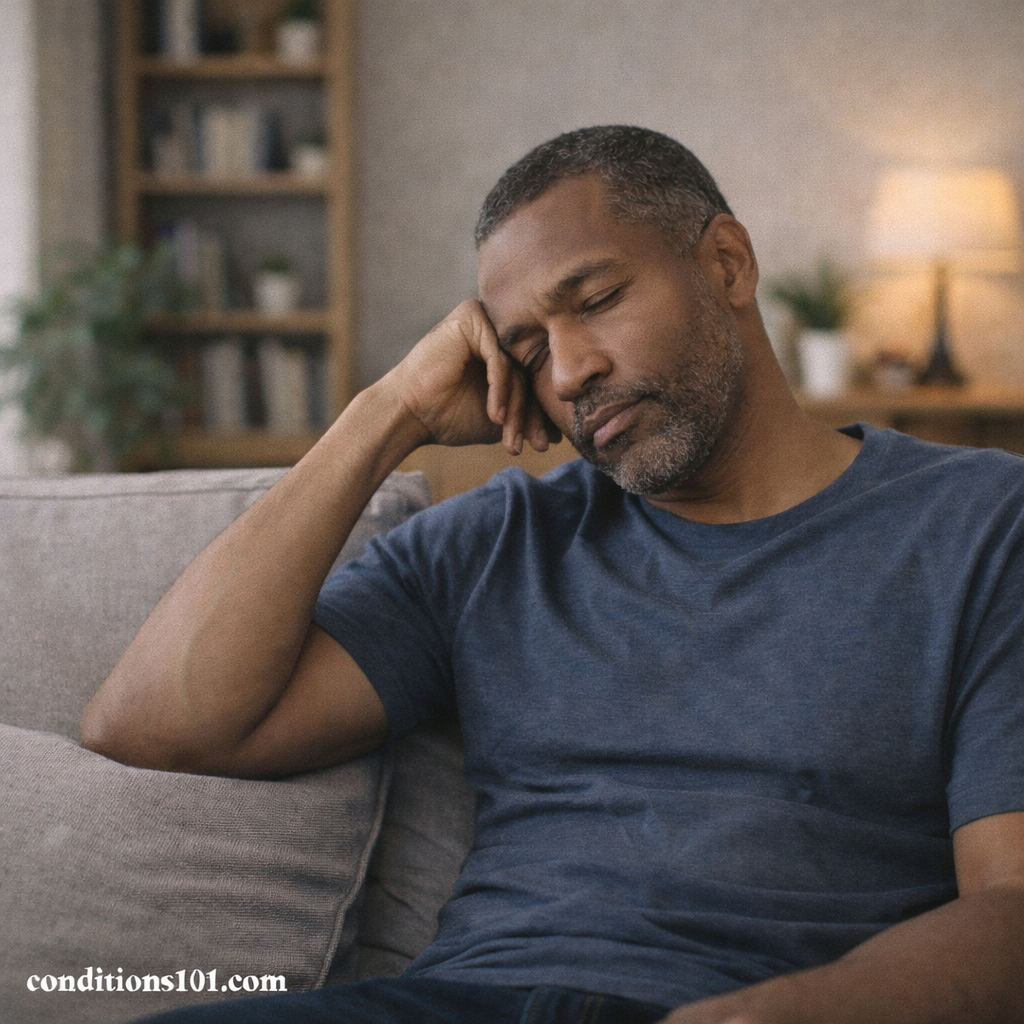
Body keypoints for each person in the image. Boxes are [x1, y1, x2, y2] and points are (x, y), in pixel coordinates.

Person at [81, 126, 1024, 1024]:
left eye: (598, 299)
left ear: (727, 263)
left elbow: (1012, 905)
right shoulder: (497, 544)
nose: (569, 372)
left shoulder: (983, 526)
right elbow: (152, 723)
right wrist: (388, 409)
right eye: (528, 349)